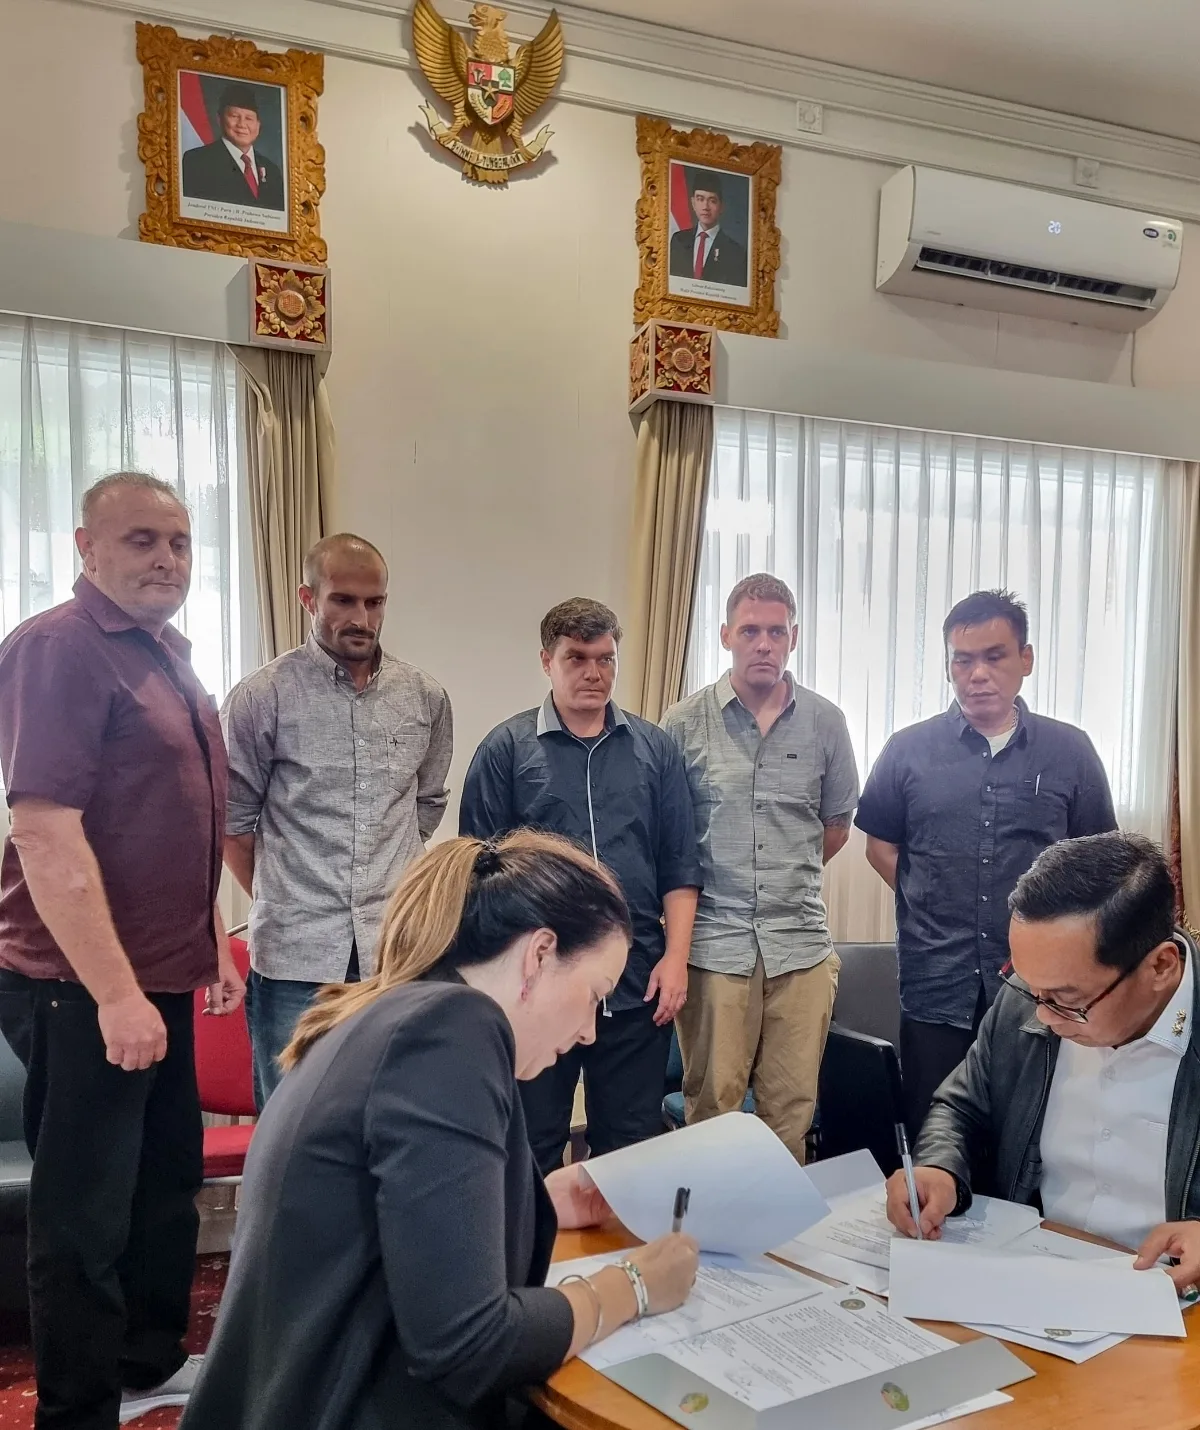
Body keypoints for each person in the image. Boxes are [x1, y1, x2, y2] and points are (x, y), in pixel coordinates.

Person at [179, 830, 700, 1430]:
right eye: (594, 996)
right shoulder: (453, 1030)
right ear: (538, 955)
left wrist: (538, 1202)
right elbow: (468, 1346)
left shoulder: (398, 1012)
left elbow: (394, 1222)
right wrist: (633, 1285)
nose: (589, 1031)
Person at [0, 472, 244, 1430]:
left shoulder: (167, 655)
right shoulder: (58, 651)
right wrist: (112, 995)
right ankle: (76, 1410)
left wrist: (213, 947)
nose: (167, 559)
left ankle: (149, 1362)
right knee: (82, 1220)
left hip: (168, 976)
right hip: (80, 989)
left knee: (163, 1186)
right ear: (84, 547)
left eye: (180, 542)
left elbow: (177, 827)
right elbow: (47, 834)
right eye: (142, 540)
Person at [885, 832, 1200, 1293]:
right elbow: (961, 1107)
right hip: (1034, 1274)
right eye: (1029, 985)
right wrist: (939, 1166)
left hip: (1172, 1300)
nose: (1042, 1016)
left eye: (1066, 999)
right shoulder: (1025, 1003)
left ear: (1160, 966)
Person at [855, 589, 1117, 1135]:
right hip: (936, 979)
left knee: (1031, 1133)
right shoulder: (908, 749)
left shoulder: (1069, 751)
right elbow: (880, 847)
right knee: (936, 1129)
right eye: (963, 659)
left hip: (1041, 987)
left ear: (1026, 659)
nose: (977, 674)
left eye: (994, 656)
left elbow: (1099, 864)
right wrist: (926, 899)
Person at [460, 598, 700, 1174]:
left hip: (636, 980)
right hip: (539, 988)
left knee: (631, 1143)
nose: (594, 672)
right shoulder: (506, 750)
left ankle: (624, 1263)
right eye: (577, 658)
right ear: (547, 661)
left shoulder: (654, 750)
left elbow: (679, 861)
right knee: (534, 1142)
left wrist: (677, 958)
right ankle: (534, 1261)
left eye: (605, 658)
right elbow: (478, 874)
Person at [221, 533, 452, 1108]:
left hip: (395, 954)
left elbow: (425, 806)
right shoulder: (261, 698)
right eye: (343, 600)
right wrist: (286, 894)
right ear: (308, 598)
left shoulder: (425, 697)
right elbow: (233, 824)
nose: (362, 617)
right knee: (295, 1118)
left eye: (374, 602)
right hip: (295, 958)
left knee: (396, 1111)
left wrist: (383, 881)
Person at [663, 573, 859, 1163]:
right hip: (715, 948)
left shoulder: (827, 723)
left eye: (777, 631)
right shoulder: (683, 723)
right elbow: (672, 840)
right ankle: (706, 1247)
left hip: (800, 947)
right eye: (750, 631)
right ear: (726, 635)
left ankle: (780, 1247)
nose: (764, 644)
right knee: (711, 1109)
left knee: (790, 1109)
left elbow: (835, 827)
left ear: (793, 638)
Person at [181, 84, 286, 209]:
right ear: (219, 119)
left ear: (258, 125)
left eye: (249, 118)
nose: (242, 124)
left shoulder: (272, 171)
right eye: (234, 116)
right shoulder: (197, 161)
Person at [668, 168, 749, 287]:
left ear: (721, 207)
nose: (705, 206)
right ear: (693, 203)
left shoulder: (736, 253)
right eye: (700, 199)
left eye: (712, 201)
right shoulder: (678, 241)